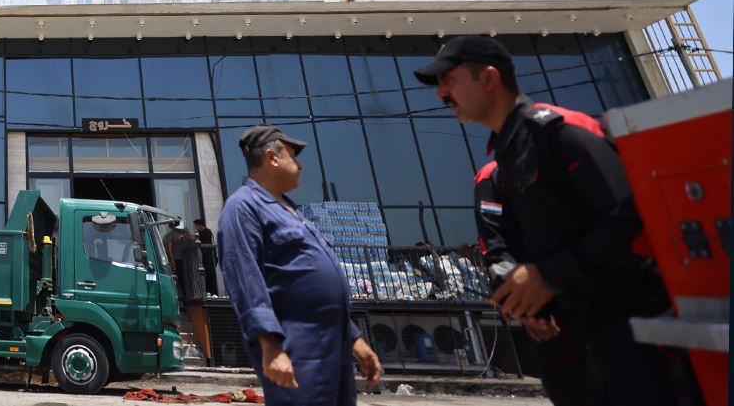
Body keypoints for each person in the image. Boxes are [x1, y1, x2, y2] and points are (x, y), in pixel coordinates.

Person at [417, 35, 701, 406]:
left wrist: (548, 275)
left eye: (448, 80)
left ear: (488, 78)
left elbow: (633, 217)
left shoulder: (560, 133)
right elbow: (513, 243)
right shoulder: (507, 158)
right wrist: (533, 301)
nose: (441, 94)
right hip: (578, 341)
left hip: (636, 341)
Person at [219, 125, 382, 405]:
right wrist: (270, 345)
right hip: (297, 343)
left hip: (334, 343)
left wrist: (355, 340)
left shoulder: (290, 210)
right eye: (292, 156)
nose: (300, 164)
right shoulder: (243, 207)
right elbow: (244, 278)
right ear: (272, 157)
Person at [474, 159, 599, 405]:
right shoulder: (495, 176)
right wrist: (524, 306)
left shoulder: (568, 153)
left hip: (598, 298)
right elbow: (495, 247)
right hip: (548, 310)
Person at [193, 218, 219, 296]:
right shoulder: (206, 232)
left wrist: (185, 237)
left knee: (210, 275)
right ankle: (210, 292)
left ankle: (212, 293)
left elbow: (195, 238)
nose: (195, 228)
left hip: (209, 257)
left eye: (196, 226)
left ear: (200, 225)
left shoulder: (205, 232)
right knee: (207, 275)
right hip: (208, 257)